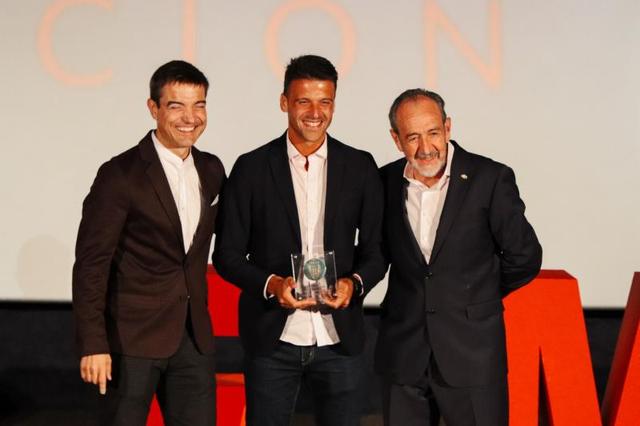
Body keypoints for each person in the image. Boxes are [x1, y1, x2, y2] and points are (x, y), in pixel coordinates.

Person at [213, 54, 385, 426]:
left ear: (334, 105)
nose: (315, 112)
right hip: (272, 339)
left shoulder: (360, 166)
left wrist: (354, 284)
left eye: (325, 101)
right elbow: (226, 254)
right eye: (303, 101)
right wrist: (272, 284)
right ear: (284, 102)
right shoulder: (251, 168)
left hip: (340, 338)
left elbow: (377, 250)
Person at [375, 89, 542, 426]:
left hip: (472, 352)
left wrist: (476, 293)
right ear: (396, 139)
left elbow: (525, 256)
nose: (426, 147)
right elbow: (378, 252)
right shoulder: (384, 181)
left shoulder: (490, 178)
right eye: (413, 137)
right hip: (403, 353)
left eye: (433, 133)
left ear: (448, 127)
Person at [72, 60, 225, 426]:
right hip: (129, 342)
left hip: (193, 340)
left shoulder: (212, 169)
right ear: (153, 108)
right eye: (176, 106)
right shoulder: (120, 174)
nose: (190, 118)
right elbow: (92, 264)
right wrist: (94, 343)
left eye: (199, 105)